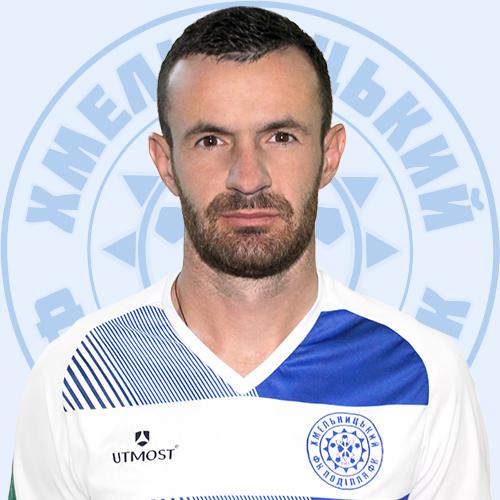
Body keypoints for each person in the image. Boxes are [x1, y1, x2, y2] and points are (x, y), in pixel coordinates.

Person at [11, 6, 490, 500]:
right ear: (166, 163)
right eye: (211, 140)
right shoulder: (72, 375)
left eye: (280, 137)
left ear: (329, 155)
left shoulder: (423, 374)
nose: (247, 177)